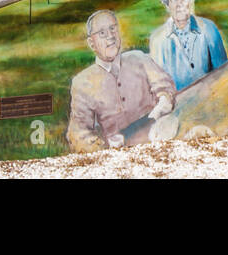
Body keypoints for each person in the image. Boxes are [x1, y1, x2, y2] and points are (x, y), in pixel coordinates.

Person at [67, 10, 175, 152]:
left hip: (159, 141)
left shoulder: (139, 59)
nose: (110, 36)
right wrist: (104, 148)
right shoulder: (82, 83)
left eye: (112, 29)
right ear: (91, 43)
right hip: (118, 156)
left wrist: (164, 102)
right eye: (102, 33)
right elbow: (78, 134)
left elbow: (166, 86)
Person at [149, 0, 228, 91]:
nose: (179, 5)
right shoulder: (158, 39)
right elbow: (159, 85)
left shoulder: (208, 28)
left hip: (209, 96)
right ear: (167, 4)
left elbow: (223, 71)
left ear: (191, 1)